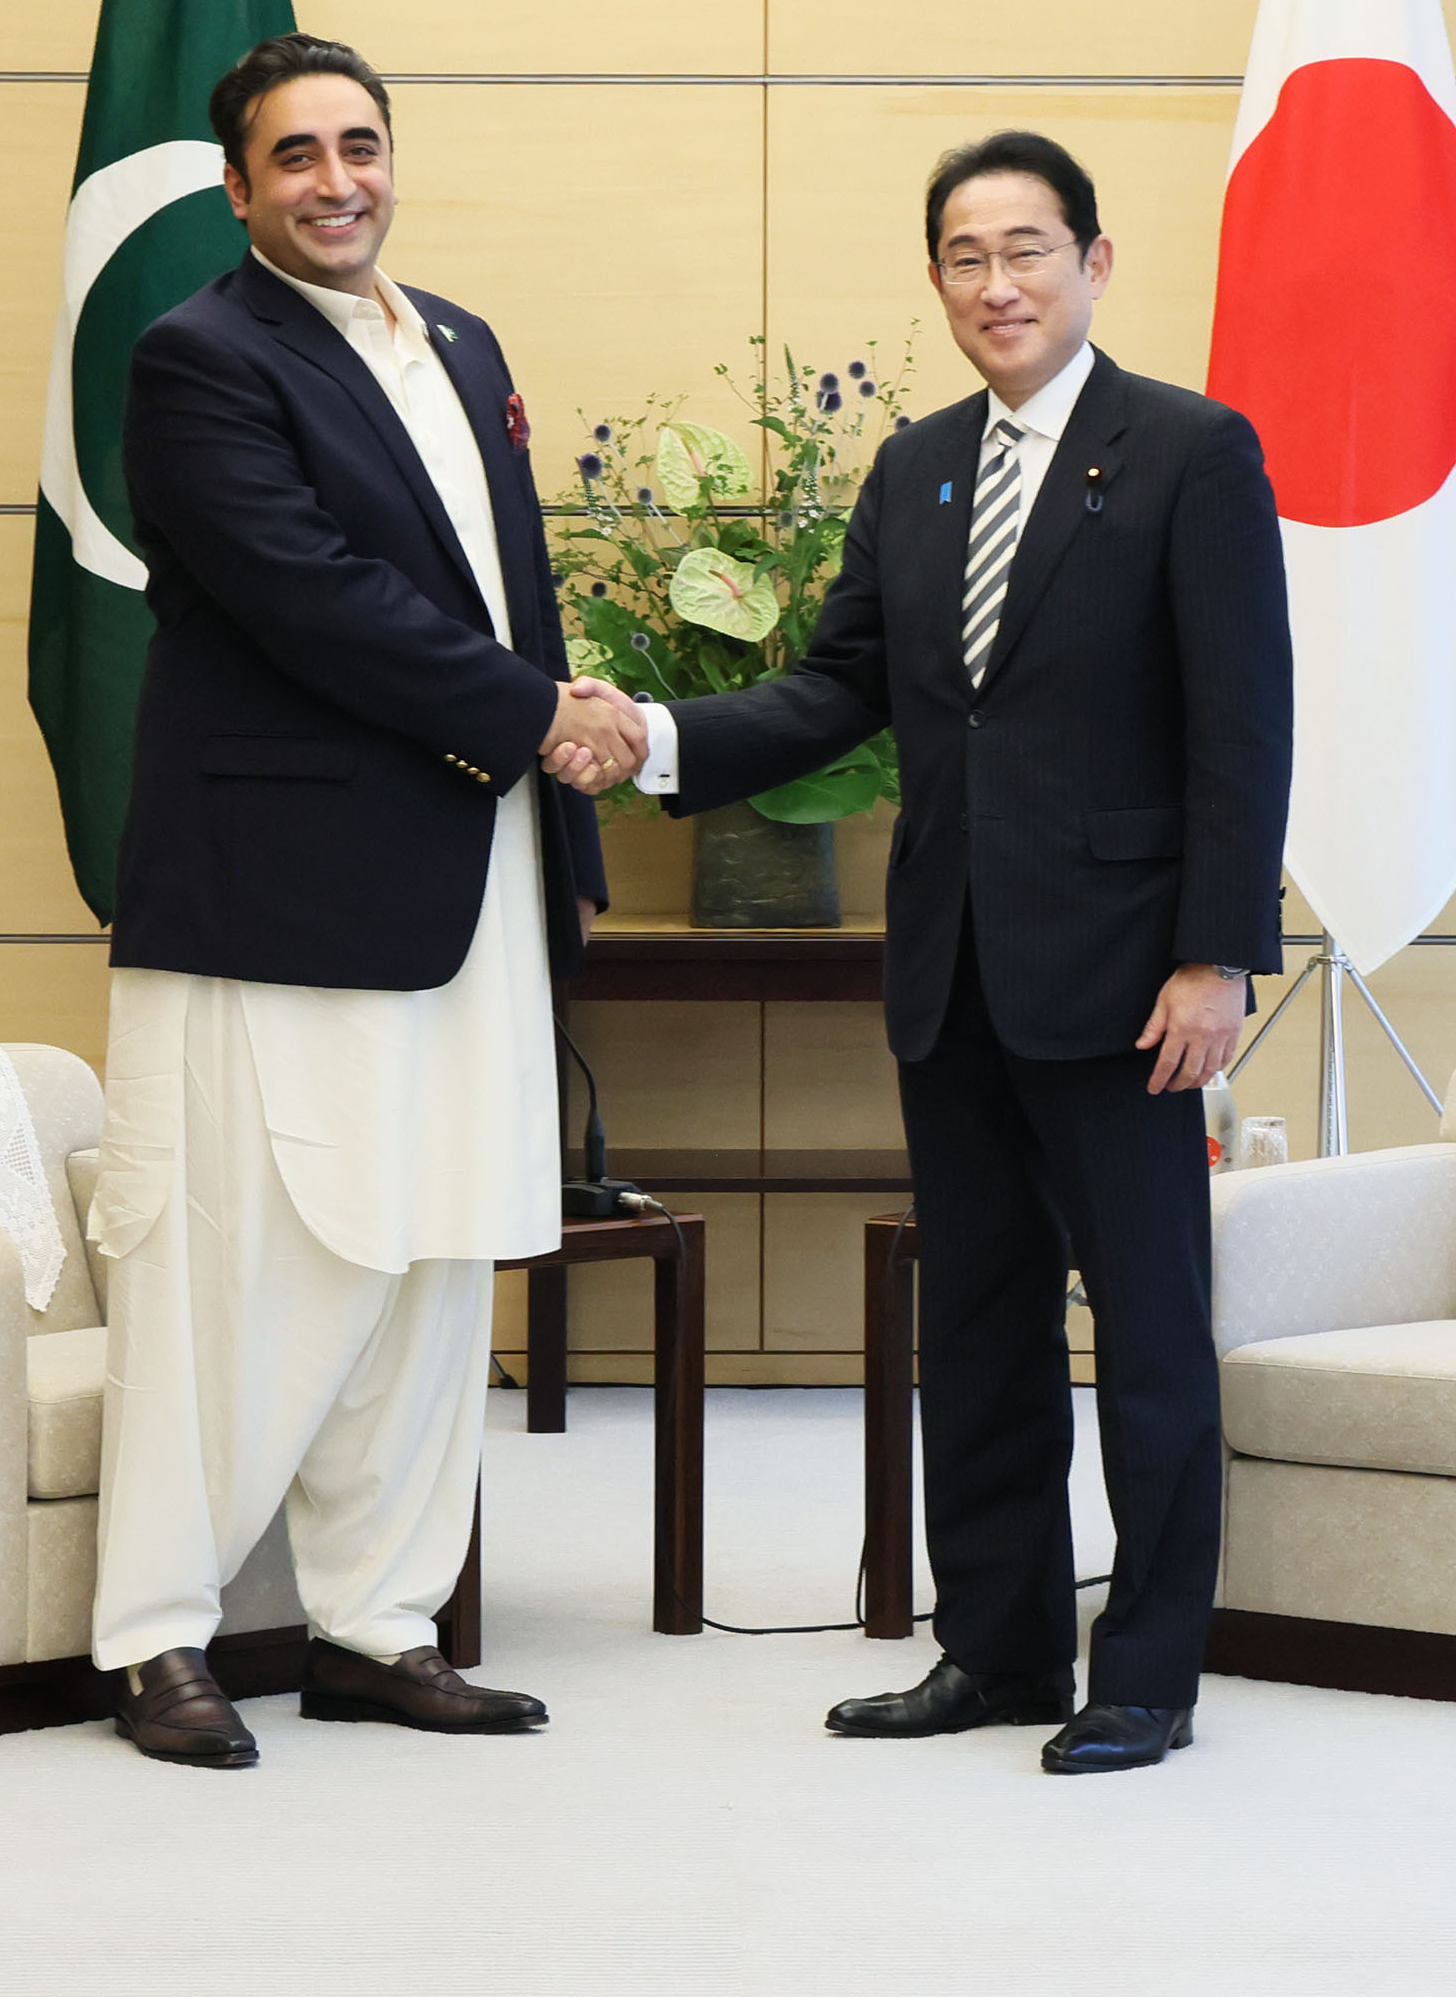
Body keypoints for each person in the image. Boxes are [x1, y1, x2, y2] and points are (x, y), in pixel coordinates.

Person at [552, 130, 1291, 1775]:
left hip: (1129, 979)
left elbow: (1244, 725)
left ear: (1094, 264)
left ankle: (1147, 1674)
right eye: (965, 255)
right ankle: (1000, 1649)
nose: (996, 282)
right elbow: (837, 692)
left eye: (1028, 249)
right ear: (939, 282)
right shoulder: (917, 468)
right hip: (953, 968)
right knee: (977, 1326)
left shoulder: (1191, 451)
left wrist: (1217, 957)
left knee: (1148, 1336)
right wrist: (656, 735)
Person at [89, 31, 641, 1766]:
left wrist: (560, 807)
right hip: (276, 897)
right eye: (298, 155)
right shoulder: (199, 356)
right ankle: (157, 1638)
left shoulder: (460, 341)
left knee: (435, 1256)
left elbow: (508, 593)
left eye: (362, 145)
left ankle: (377, 1625)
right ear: (238, 186)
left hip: (470, 873)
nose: (339, 182)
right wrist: (539, 716)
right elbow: (309, 596)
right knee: (245, 1277)